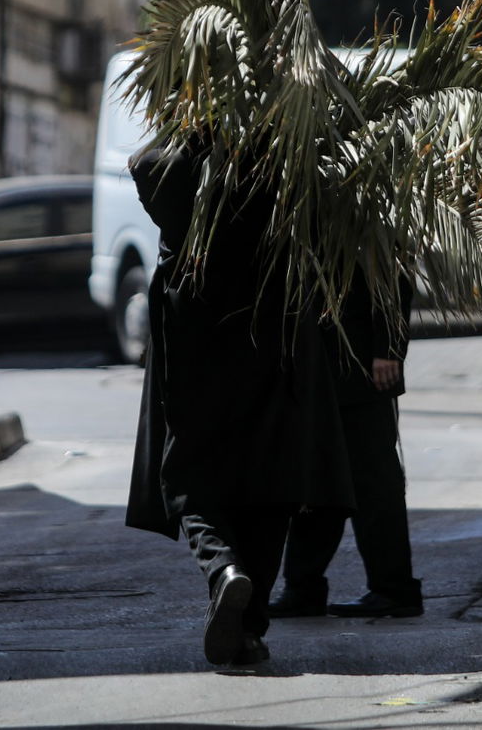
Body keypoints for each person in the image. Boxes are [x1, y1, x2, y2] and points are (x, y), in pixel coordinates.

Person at [124, 137, 355, 666]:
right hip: (276, 331)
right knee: (272, 482)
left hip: (198, 332)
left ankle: (226, 570)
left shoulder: (184, 157)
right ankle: (248, 626)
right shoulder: (286, 154)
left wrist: (193, 124)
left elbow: (143, 162)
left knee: (191, 473)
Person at [269, 269, 423, 619]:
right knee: (316, 484)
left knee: (373, 486)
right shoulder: (298, 218)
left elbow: (391, 280)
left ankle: (394, 589)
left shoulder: (361, 216)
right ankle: (302, 588)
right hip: (315, 374)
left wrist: (387, 349)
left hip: (359, 372)